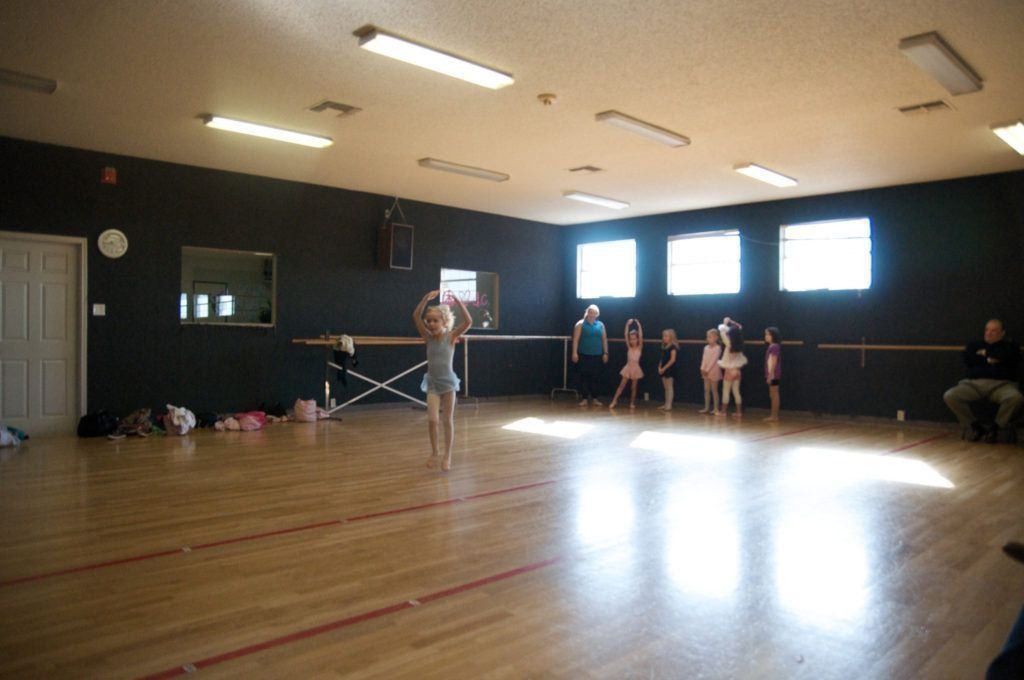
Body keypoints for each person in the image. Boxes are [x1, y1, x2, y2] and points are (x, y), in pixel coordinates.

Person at [413, 290, 472, 471]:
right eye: (429, 320)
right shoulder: (427, 337)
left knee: (447, 420)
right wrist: (424, 299)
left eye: (435, 320)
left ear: (444, 322)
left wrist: (458, 301)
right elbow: (415, 317)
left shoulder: (451, 337)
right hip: (432, 383)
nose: (431, 323)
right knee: (432, 420)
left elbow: (468, 322)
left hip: (448, 384)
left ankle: (448, 455)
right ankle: (434, 452)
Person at [943, 319, 1023, 443]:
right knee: (950, 396)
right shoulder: (975, 345)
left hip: (1001, 385)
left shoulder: (1010, 346)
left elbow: (1008, 357)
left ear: (1002, 333)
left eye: (993, 331)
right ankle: (976, 427)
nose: (988, 333)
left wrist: (984, 353)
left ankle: (995, 429)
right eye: (987, 330)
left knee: (1015, 398)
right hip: (973, 384)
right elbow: (968, 359)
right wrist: (990, 359)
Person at [572, 304, 609, 406]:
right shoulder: (580, 324)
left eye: (594, 313)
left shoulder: (601, 325)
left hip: (597, 355)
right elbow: (575, 340)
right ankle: (584, 398)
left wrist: (606, 353)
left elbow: (604, 339)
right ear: (587, 312)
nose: (592, 314)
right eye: (590, 312)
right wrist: (574, 353)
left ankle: (595, 398)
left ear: (597, 314)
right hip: (583, 355)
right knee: (584, 377)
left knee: (595, 377)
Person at [717, 317, 747, 418]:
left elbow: (722, 332)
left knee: (726, 391)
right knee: (736, 392)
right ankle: (739, 412)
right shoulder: (740, 345)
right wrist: (733, 322)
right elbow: (740, 327)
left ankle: (723, 412)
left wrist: (725, 323)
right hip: (737, 371)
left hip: (729, 371)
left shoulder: (729, 343)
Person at [610, 319, 644, 410]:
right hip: (628, 368)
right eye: (631, 339)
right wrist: (627, 325)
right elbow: (625, 335)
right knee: (621, 385)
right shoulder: (629, 347)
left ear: (637, 339)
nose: (632, 341)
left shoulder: (639, 348)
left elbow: (641, 336)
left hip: (636, 369)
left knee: (633, 387)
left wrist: (639, 325)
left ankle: (632, 402)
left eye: (634, 339)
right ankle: (614, 400)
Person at [698, 328, 723, 414]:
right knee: (706, 390)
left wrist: (707, 370)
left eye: (710, 337)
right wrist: (702, 368)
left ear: (716, 338)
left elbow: (714, 360)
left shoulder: (718, 348)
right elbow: (704, 359)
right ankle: (706, 407)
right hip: (705, 371)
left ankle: (716, 408)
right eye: (707, 337)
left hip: (714, 371)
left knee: (714, 390)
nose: (708, 338)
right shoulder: (706, 348)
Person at [657, 329, 679, 411]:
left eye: (666, 336)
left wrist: (664, 368)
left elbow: (672, 359)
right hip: (663, 368)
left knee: (669, 387)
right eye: (663, 336)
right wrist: (660, 367)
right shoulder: (664, 347)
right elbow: (662, 359)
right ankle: (666, 403)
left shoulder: (673, 347)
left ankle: (669, 405)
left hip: (669, 369)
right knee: (665, 387)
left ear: (671, 337)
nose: (664, 338)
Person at [764, 326, 782, 422]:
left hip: (774, 374)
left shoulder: (774, 346)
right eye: (766, 334)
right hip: (772, 374)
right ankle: (773, 415)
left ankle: (774, 416)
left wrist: (771, 374)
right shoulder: (771, 346)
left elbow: (774, 361)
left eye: (768, 334)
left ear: (773, 336)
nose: (766, 336)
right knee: (772, 394)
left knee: (774, 394)